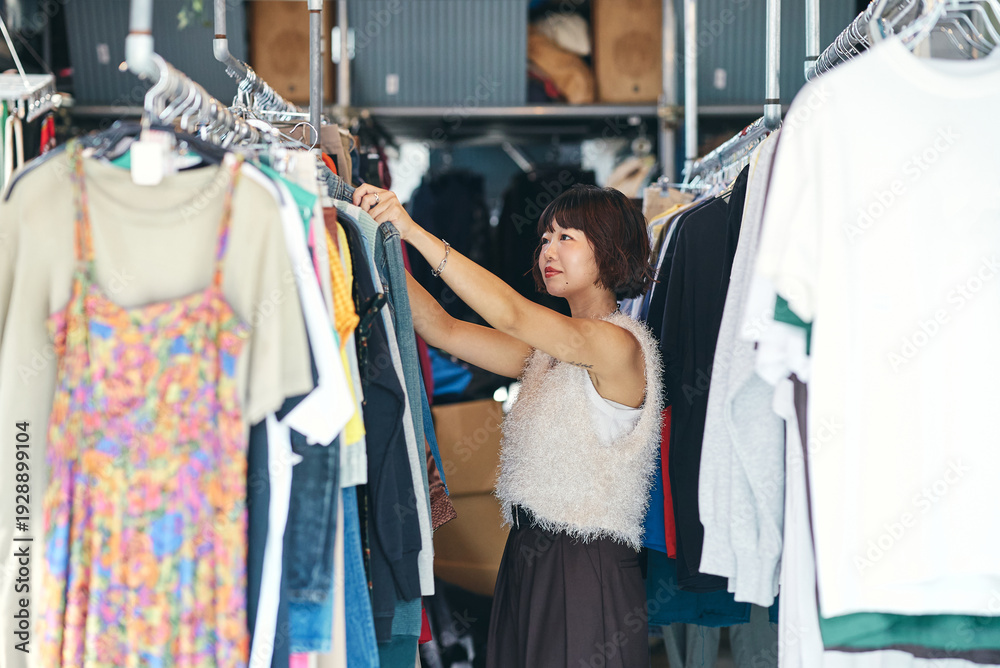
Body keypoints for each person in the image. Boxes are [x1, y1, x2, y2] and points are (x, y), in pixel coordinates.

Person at [352, 182, 663, 668]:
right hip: (526, 554)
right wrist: (373, 244)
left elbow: (513, 314)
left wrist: (412, 230)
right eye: (545, 238)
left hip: (585, 562)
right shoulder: (549, 354)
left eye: (566, 237)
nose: (548, 251)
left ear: (609, 249)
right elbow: (441, 328)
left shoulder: (618, 346)